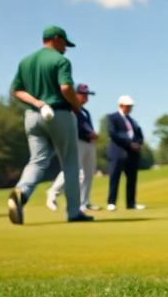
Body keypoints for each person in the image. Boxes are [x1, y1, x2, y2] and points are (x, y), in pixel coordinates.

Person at [8, 25, 92, 224]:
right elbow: (66, 88)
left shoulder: (25, 61)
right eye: (64, 43)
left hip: (32, 115)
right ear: (56, 39)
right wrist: (76, 105)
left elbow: (16, 91)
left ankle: (21, 193)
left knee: (37, 160)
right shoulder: (60, 60)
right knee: (70, 162)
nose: (65, 48)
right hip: (59, 114)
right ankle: (74, 212)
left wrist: (37, 103)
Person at [47, 82, 100, 212]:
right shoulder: (70, 109)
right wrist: (90, 133)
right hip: (76, 142)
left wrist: (91, 135)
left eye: (87, 95)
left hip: (88, 144)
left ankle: (84, 201)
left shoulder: (85, 111)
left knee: (88, 174)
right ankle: (53, 192)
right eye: (84, 95)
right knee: (74, 171)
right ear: (75, 94)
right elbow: (77, 126)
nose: (86, 98)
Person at [105, 95, 145, 211]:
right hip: (117, 152)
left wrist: (138, 143)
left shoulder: (132, 121)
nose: (129, 108)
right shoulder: (113, 117)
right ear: (121, 105)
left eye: (130, 106)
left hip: (132, 153)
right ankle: (111, 202)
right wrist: (129, 143)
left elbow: (139, 134)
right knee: (115, 177)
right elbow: (113, 133)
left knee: (132, 178)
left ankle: (131, 202)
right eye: (127, 106)